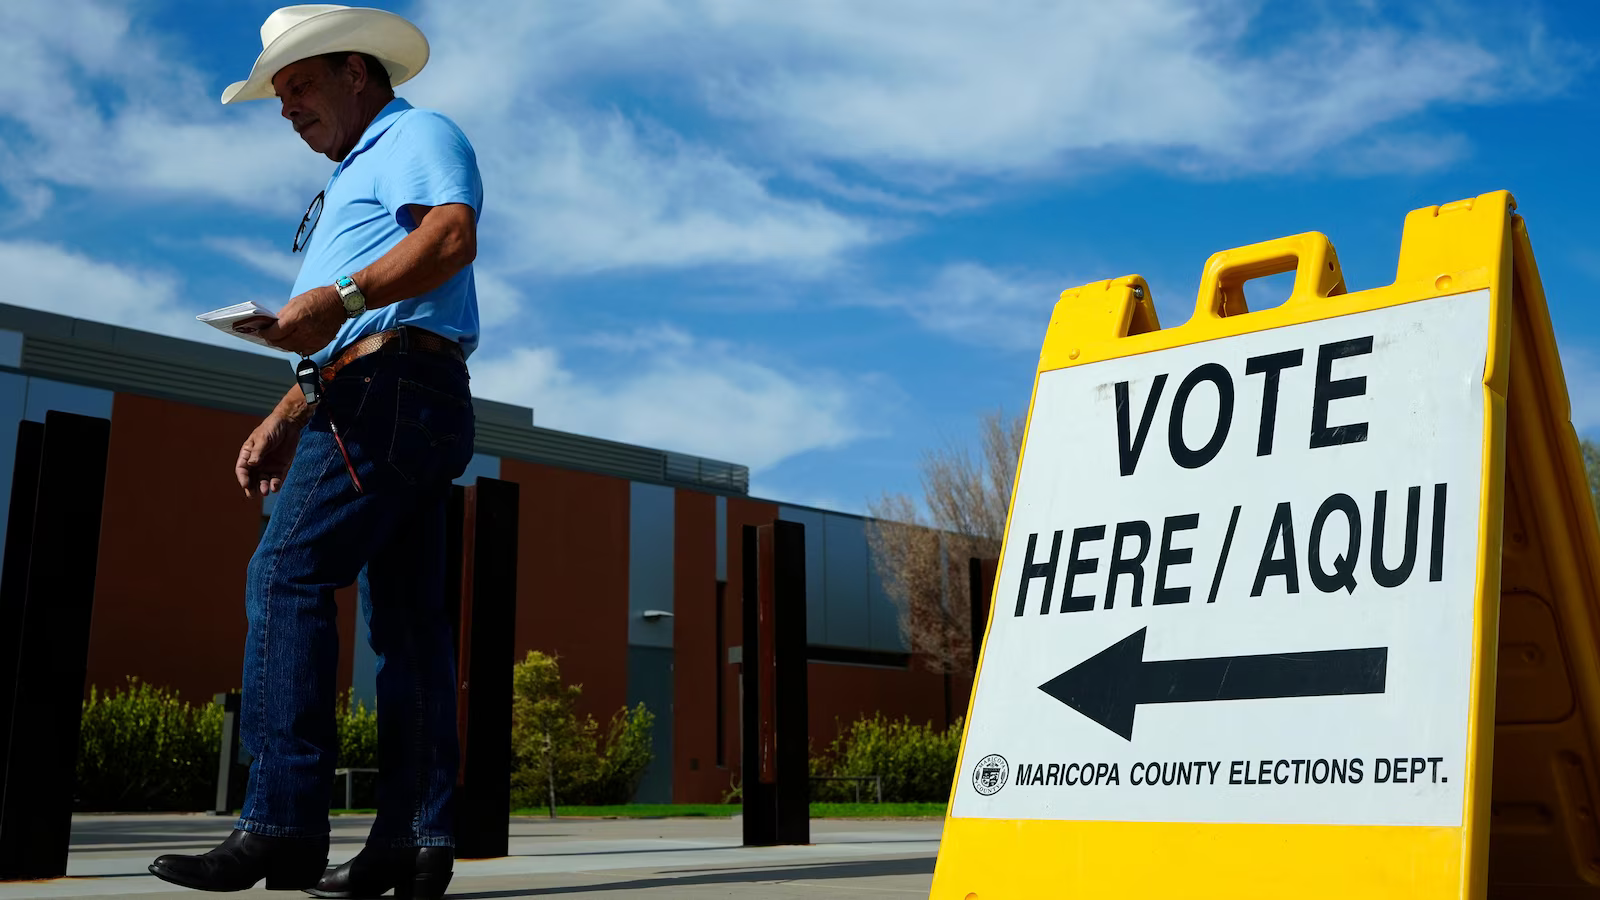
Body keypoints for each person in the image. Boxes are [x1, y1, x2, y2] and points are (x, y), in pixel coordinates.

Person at [148, 6, 481, 898]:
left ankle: (281, 825)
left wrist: (333, 297)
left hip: (394, 395)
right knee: (408, 630)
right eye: (279, 94)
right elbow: (362, 324)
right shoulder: (356, 179)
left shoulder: (416, 133)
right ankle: (413, 844)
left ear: (356, 74)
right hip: (393, 390)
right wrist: (286, 413)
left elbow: (450, 238)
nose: (286, 108)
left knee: (285, 574)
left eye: (298, 85)